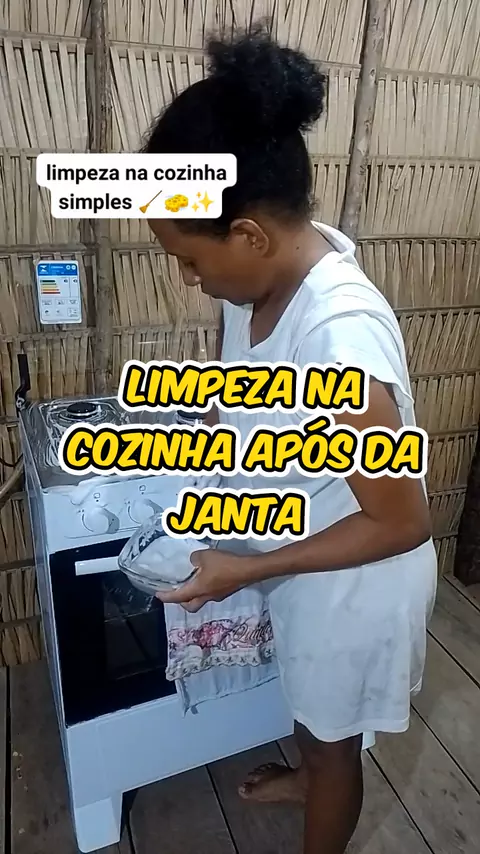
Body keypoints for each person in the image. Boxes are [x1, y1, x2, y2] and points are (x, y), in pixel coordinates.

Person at [142, 23, 438, 854]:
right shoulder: (262, 282)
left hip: (358, 582)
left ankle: (323, 786)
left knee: (334, 736)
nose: (189, 278)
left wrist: (249, 568)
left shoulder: (339, 335)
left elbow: (401, 520)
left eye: (189, 259)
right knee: (311, 707)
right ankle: (311, 771)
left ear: (248, 235)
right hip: (311, 563)